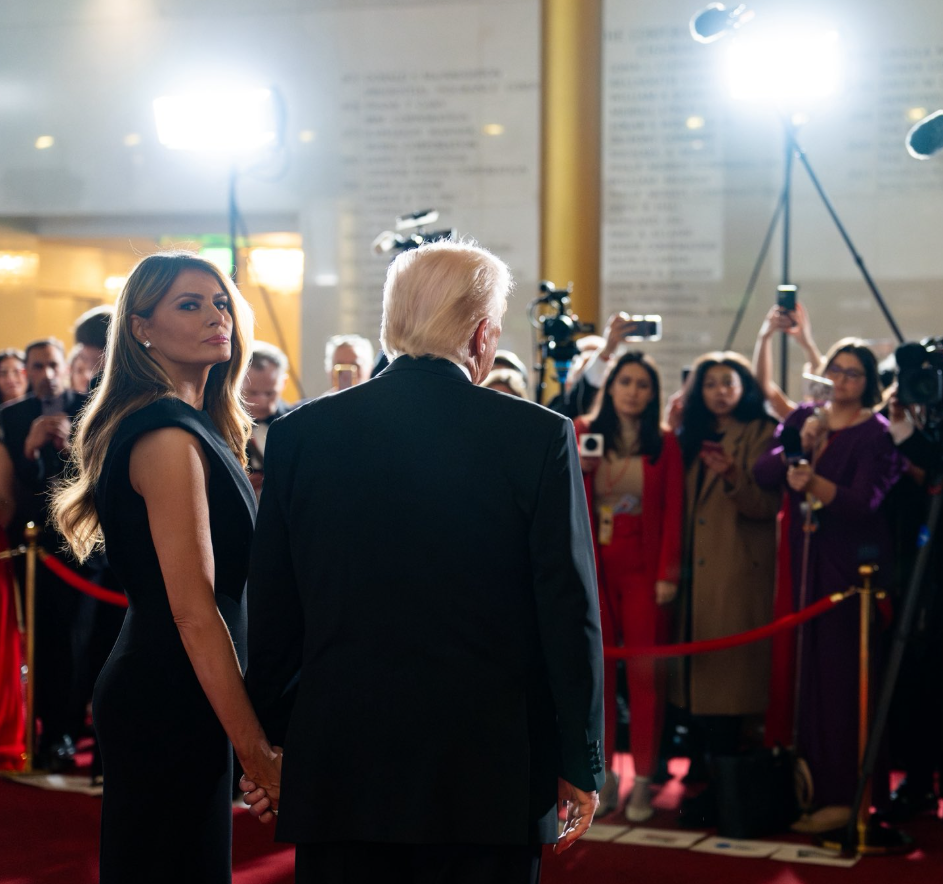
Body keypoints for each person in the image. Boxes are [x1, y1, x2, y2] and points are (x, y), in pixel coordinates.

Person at [242, 239, 604, 884]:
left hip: (341, 752)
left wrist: (265, 743)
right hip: (488, 760)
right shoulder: (536, 435)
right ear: (483, 333)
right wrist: (581, 757)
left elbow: (274, 602)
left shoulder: (300, 433)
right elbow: (566, 608)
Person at [50, 251, 282, 884]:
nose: (216, 315)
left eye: (220, 302)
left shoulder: (198, 426)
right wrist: (256, 753)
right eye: (190, 304)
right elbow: (193, 609)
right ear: (140, 328)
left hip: (190, 691)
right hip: (167, 697)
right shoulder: (167, 437)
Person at [754, 337, 903, 832]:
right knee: (804, 678)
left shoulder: (876, 433)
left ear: (869, 384)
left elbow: (866, 503)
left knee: (841, 683)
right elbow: (764, 469)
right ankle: (806, 787)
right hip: (801, 565)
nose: (840, 381)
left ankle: (847, 794)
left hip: (848, 572)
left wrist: (813, 483)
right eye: (834, 371)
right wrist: (800, 450)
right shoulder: (806, 416)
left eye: (852, 374)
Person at [574, 351, 683, 822]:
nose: (633, 391)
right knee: (598, 677)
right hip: (594, 565)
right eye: (625, 381)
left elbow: (675, 511)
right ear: (610, 386)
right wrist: (581, 468)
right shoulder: (582, 430)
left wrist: (668, 574)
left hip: (644, 567)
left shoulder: (664, 442)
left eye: (642, 384)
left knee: (643, 678)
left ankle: (642, 778)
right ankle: (604, 778)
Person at [671, 352, 780, 815]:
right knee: (695, 678)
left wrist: (733, 476)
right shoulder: (686, 434)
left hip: (736, 569)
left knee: (728, 682)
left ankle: (725, 788)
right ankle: (704, 774)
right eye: (711, 383)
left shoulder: (762, 432)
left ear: (745, 387)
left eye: (728, 382)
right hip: (690, 571)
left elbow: (766, 505)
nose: (720, 391)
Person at [0, 337, 91, 769]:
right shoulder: (13, 416)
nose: (46, 374)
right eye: (37, 366)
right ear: (26, 372)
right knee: (40, 641)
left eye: (53, 365)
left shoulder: (88, 406)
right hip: (32, 546)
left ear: (66, 366)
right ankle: (46, 731)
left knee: (81, 642)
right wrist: (30, 448)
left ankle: (72, 731)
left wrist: (71, 445)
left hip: (84, 548)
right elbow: (15, 488)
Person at [752, 301, 822, 420]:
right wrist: (764, 337)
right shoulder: (800, 418)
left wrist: (809, 346)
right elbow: (764, 386)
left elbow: (823, 384)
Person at [242, 341, 294, 499]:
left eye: (270, 393)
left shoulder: (296, 422)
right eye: (252, 393)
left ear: (284, 383)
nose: (261, 402)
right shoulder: (218, 424)